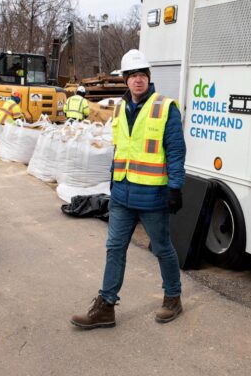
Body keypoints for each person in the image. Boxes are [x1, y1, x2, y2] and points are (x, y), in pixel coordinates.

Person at [71, 49, 186, 329]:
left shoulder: (164, 107)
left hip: (152, 196)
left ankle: (173, 297)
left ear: (148, 78)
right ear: (125, 80)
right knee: (114, 248)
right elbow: (121, 148)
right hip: (122, 194)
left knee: (162, 248)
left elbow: (176, 151)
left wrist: (175, 187)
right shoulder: (121, 108)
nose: (138, 80)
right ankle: (106, 306)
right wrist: (112, 182)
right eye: (132, 75)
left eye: (142, 75)